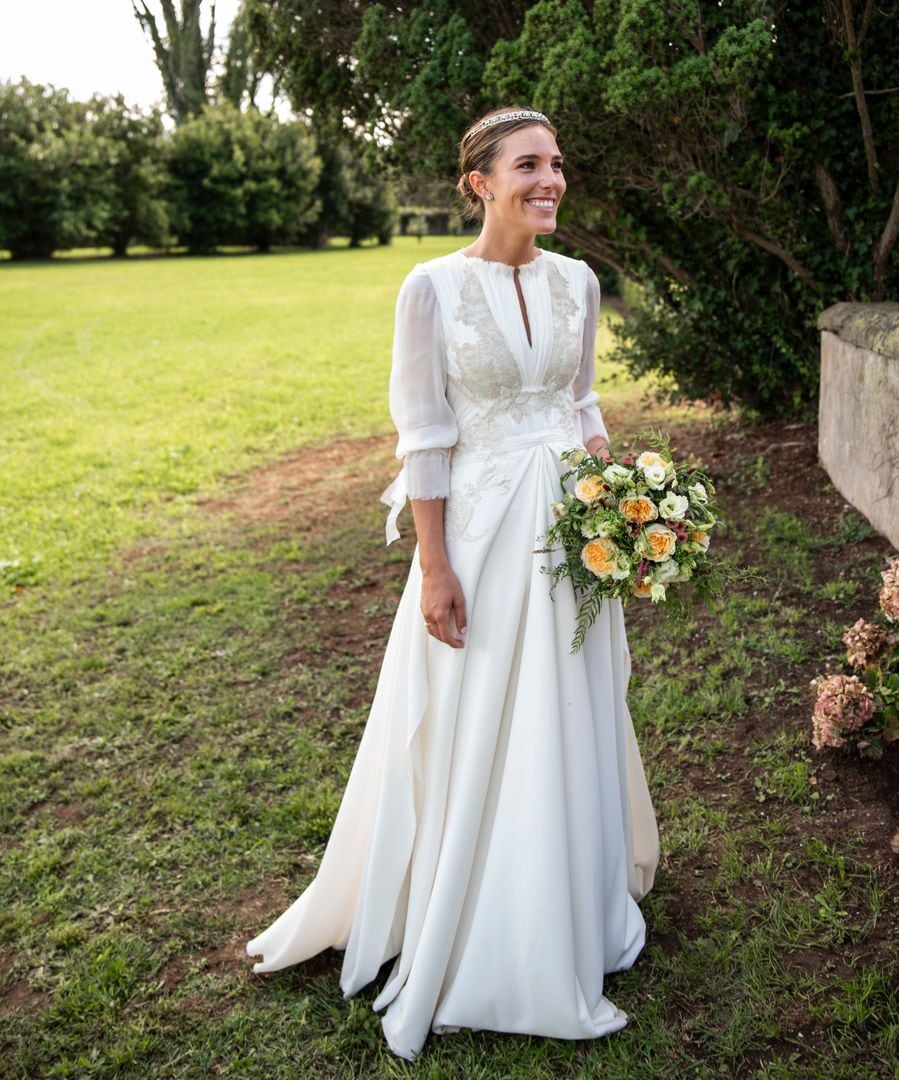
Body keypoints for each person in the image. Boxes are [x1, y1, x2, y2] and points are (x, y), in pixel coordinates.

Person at [245, 106, 659, 1060]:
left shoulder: (580, 282)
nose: (550, 181)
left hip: (572, 537)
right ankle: (471, 918)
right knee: (480, 721)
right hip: (479, 537)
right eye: (528, 166)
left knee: (568, 707)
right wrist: (434, 567)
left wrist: (629, 500)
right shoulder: (431, 288)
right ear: (479, 182)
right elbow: (425, 438)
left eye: (557, 163)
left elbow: (580, 399)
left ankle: (565, 905)